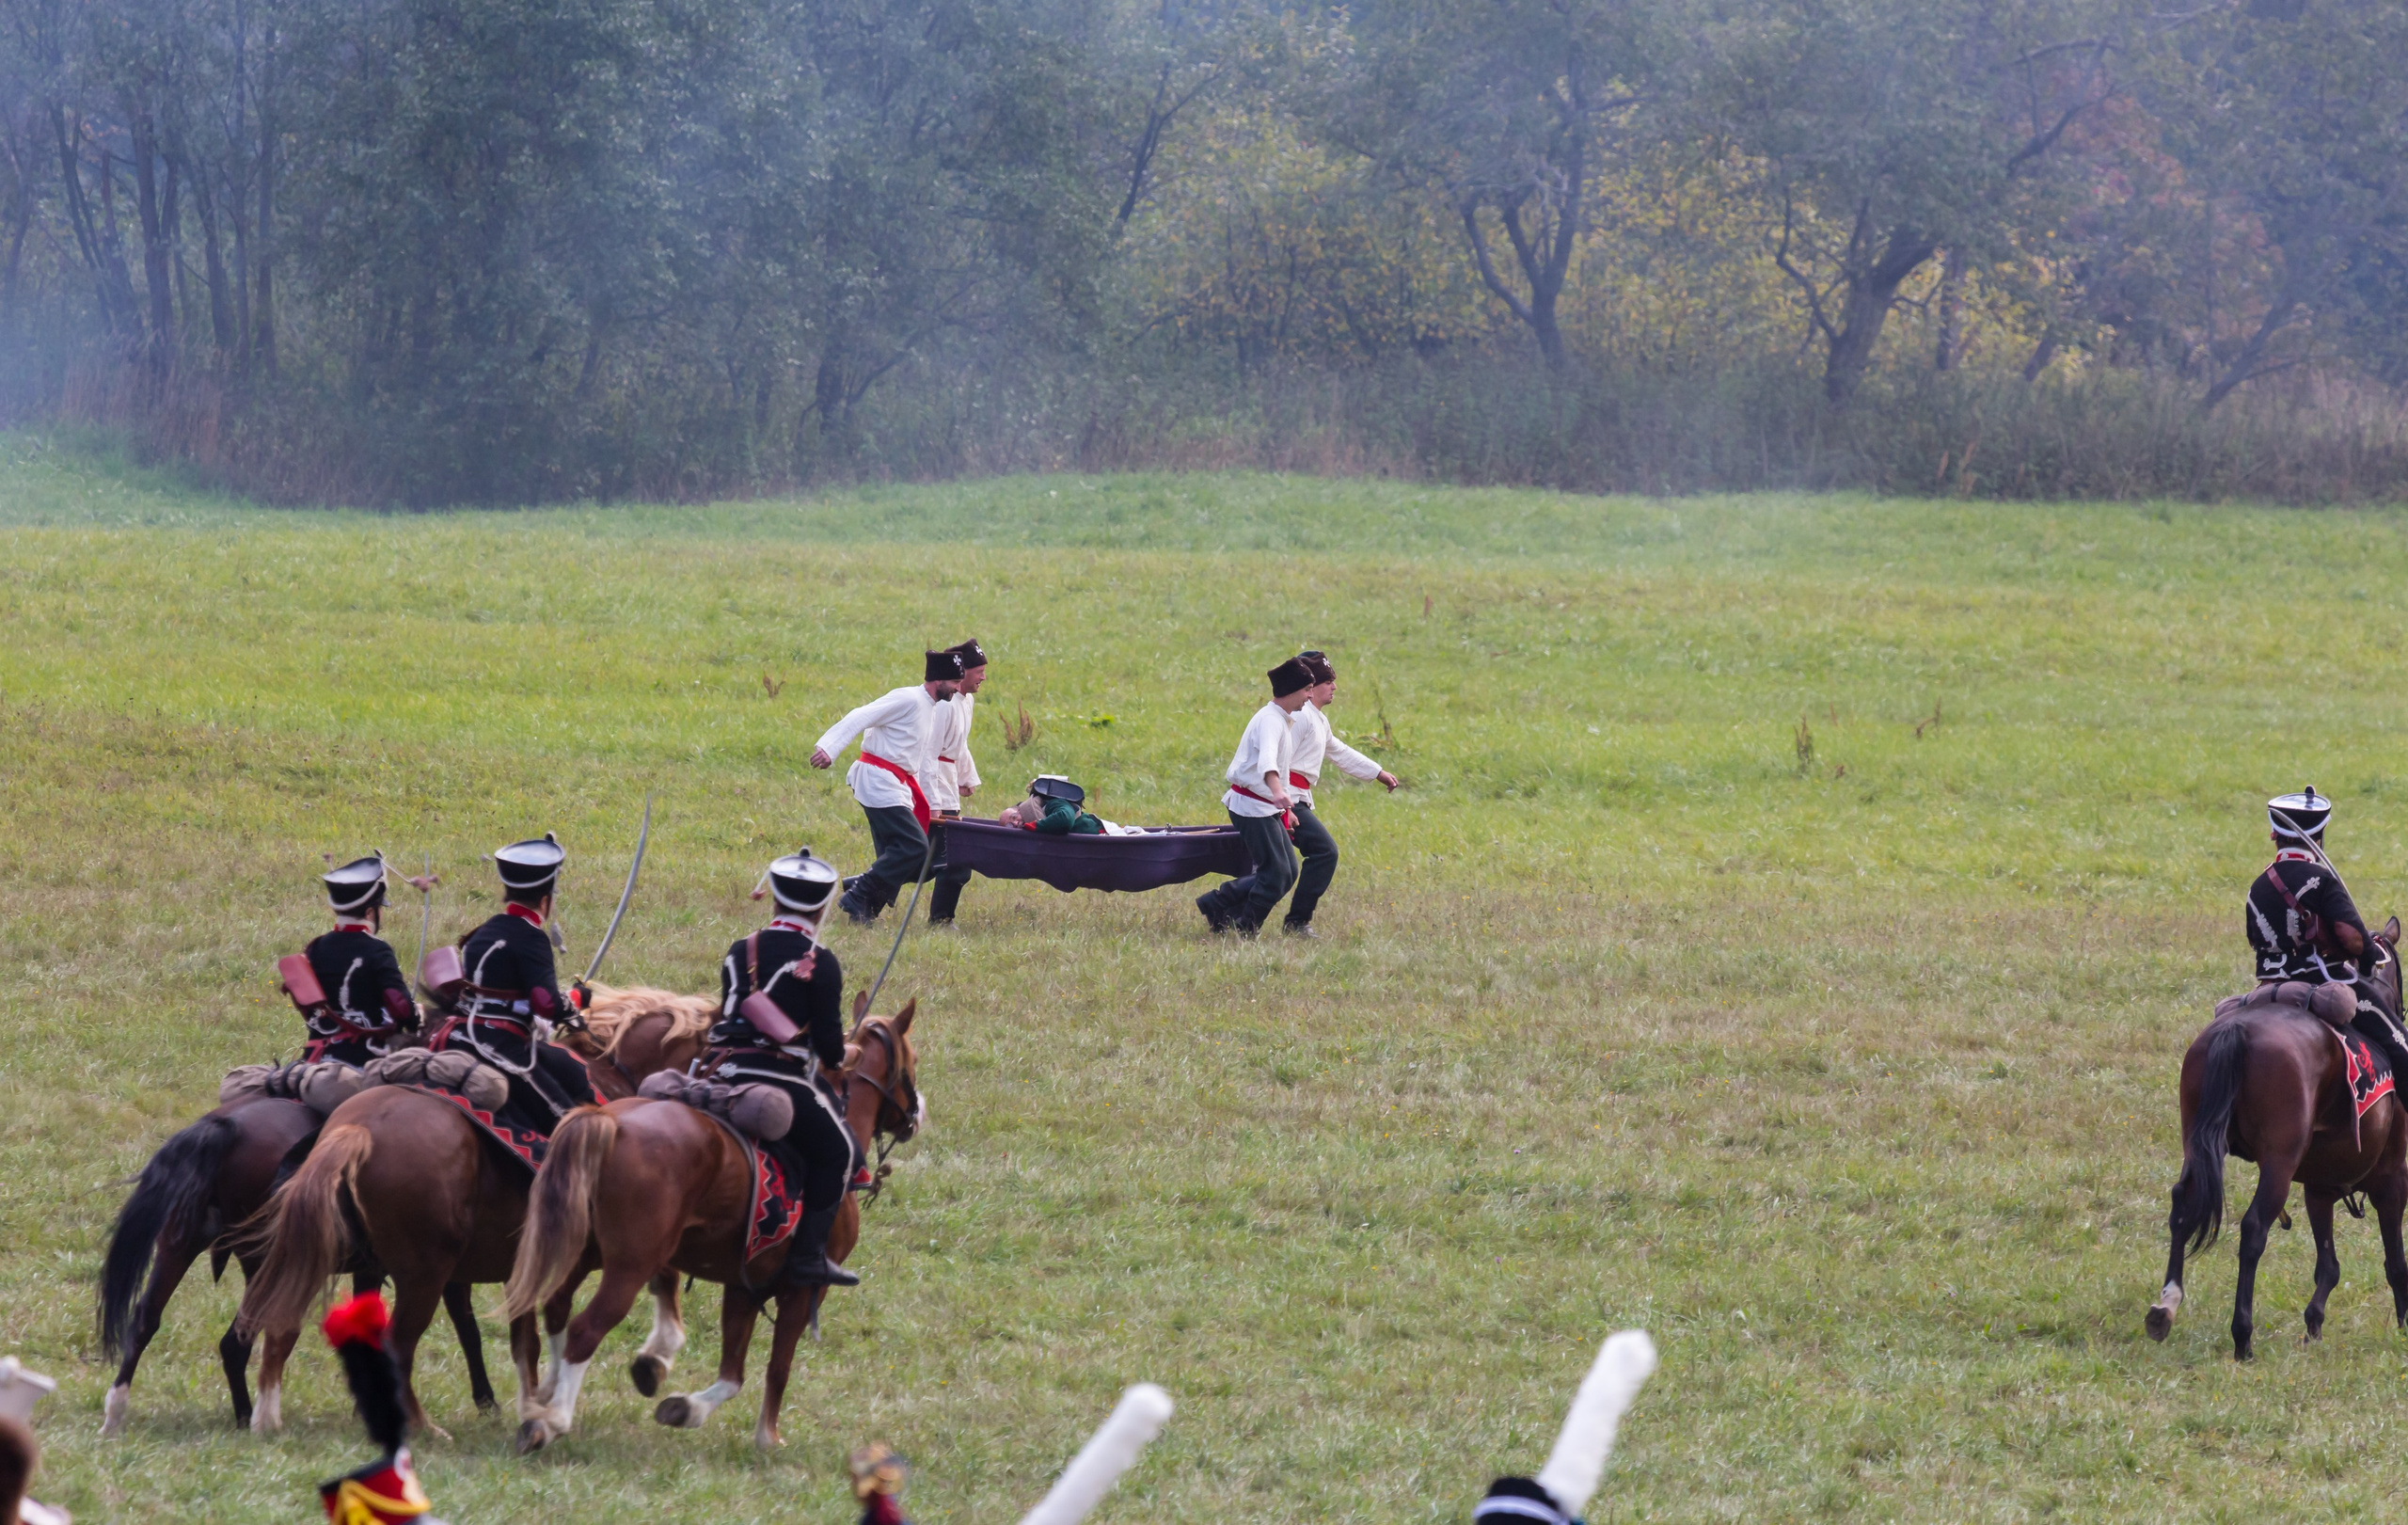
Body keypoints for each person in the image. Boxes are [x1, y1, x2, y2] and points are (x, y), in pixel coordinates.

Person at [705, 850, 862, 1290]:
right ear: (821, 907)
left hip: (722, 1068)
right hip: (780, 1077)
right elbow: (829, 1048)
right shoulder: (821, 961)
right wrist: (844, 1055)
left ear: (775, 899)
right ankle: (809, 1256)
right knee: (838, 1152)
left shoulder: (742, 949)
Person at [430, 834, 598, 1128]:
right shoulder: (532, 937)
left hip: (458, 1035)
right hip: (496, 1044)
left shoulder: (481, 932)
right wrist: (576, 999)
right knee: (567, 1122)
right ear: (546, 899)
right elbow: (545, 1004)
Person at [2247, 787, 2408, 1074]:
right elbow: (2352, 937)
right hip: (2321, 978)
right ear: (2318, 838)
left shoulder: (2257, 886)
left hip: (2269, 985)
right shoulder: (2321, 880)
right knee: (2401, 1046)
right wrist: (2369, 958)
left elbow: (2254, 939)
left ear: (2275, 835)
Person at [811, 650, 967, 926]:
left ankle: (864, 909)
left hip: (895, 783)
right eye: (955, 682)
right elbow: (861, 715)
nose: (957, 688)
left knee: (898, 855)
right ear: (938, 679)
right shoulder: (908, 698)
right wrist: (828, 748)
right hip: (878, 780)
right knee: (914, 846)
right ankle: (858, 894)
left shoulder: (930, 708)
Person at [1277, 652, 1400, 938]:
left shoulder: (1317, 719)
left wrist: (1377, 772)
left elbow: (1338, 751)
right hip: (1286, 801)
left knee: (1274, 866)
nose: (1334, 687)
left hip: (1294, 799)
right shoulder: (1301, 718)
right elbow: (1278, 759)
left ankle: (1220, 907)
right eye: (1327, 681)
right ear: (1312, 686)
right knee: (1323, 852)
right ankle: (1296, 922)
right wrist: (1283, 805)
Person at [1194, 658, 1313, 936]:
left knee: (1288, 872)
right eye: (1307, 689)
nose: (1310, 696)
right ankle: (1243, 923)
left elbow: (1280, 768)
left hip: (1266, 807)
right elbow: (1267, 763)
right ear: (1292, 689)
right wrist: (1277, 792)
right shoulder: (1270, 721)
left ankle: (1219, 906)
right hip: (1250, 807)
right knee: (1275, 874)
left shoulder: (1282, 719)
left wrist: (1286, 809)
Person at [302, 855, 429, 1065]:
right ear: (370, 912)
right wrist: (418, 1016)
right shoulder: (377, 950)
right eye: (380, 908)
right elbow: (402, 1007)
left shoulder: (315, 948)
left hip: (316, 1057)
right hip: (364, 1058)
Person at [925, 639, 988, 926]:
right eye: (979, 672)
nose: (983, 678)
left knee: (928, 860)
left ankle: (861, 888)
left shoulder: (967, 701)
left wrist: (966, 777)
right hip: (935, 785)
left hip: (948, 783)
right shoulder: (944, 707)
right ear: (964, 672)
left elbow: (960, 744)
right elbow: (930, 752)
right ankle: (941, 920)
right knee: (952, 858)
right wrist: (933, 801)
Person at [998, 775, 1106, 834]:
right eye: (1009, 825)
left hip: (1105, 837)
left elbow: (1065, 819)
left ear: (1020, 809)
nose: (1015, 823)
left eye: (1014, 817)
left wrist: (1035, 826)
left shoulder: (1051, 803)